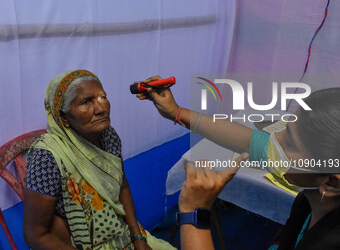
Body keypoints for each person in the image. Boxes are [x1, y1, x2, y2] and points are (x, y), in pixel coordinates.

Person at [136, 76, 340, 249]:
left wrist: (193, 211)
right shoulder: (312, 198)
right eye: (285, 126)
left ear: (331, 183)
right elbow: (247, 139)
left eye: (290, 142)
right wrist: (176, 112)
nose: (274, 137)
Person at [23, 70, 176, 250]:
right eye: (86, 102)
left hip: (122, 234)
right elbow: (36, 236)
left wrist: (138, 236)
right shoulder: (47, 157)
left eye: (102, 97)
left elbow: (122, 185)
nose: (101, 108)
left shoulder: (108, 136)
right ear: (63, 117)